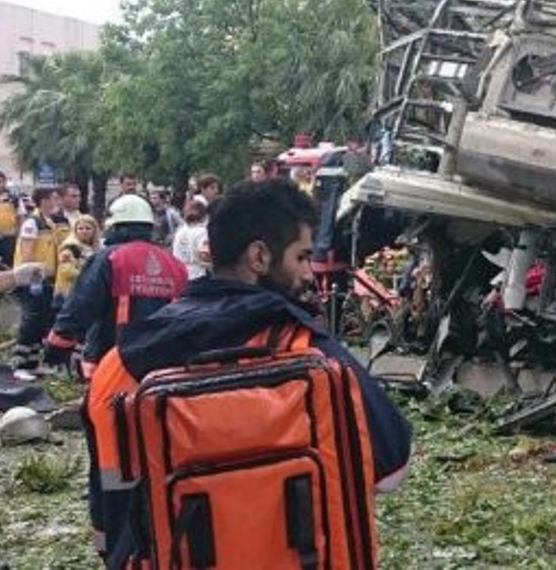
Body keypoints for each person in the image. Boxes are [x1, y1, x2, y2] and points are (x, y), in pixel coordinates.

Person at [82, 178, 411, 565]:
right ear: (259, 256)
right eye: (302, 257)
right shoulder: (312, 353)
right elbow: (392, 471)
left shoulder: (117, 367)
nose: (309, 273)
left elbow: (107, 530)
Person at [45, 195, 188, 376]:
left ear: (118, 226)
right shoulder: (174, 263)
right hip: (162, 365)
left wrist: (58, 345)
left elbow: (82, 304)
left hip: (114, 361)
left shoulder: (109, 258)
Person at [9, 188, 64, 371]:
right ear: (44, 201)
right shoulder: (32, 223)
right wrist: (34, 278)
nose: (56, 202)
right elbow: (26, 254)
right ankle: (19, 365)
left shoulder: (48, 222)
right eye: (53, 199)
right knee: (30, 321)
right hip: (31, 280)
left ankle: (32, 363)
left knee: (41, 322)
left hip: (46, 279)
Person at [53, 216, 101, 314]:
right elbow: (67, 271)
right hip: (69, 295)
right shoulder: (70, 247)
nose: (84, 231)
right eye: (80, 228)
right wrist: (89, 277)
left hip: (87, 295)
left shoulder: (98, 248)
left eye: (88, 228)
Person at [169, 199, 209, 280]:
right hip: (197, 274)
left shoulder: (180, 231)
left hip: (179, 273)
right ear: (204, 216)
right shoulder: (202, 232)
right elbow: (205, 256)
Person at [0, 173, 20, 267]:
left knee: (8, 264)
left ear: (5, 182)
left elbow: (20, 216)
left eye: (1, 182)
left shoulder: (13, 199)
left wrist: (18, 233)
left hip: (9, 238)